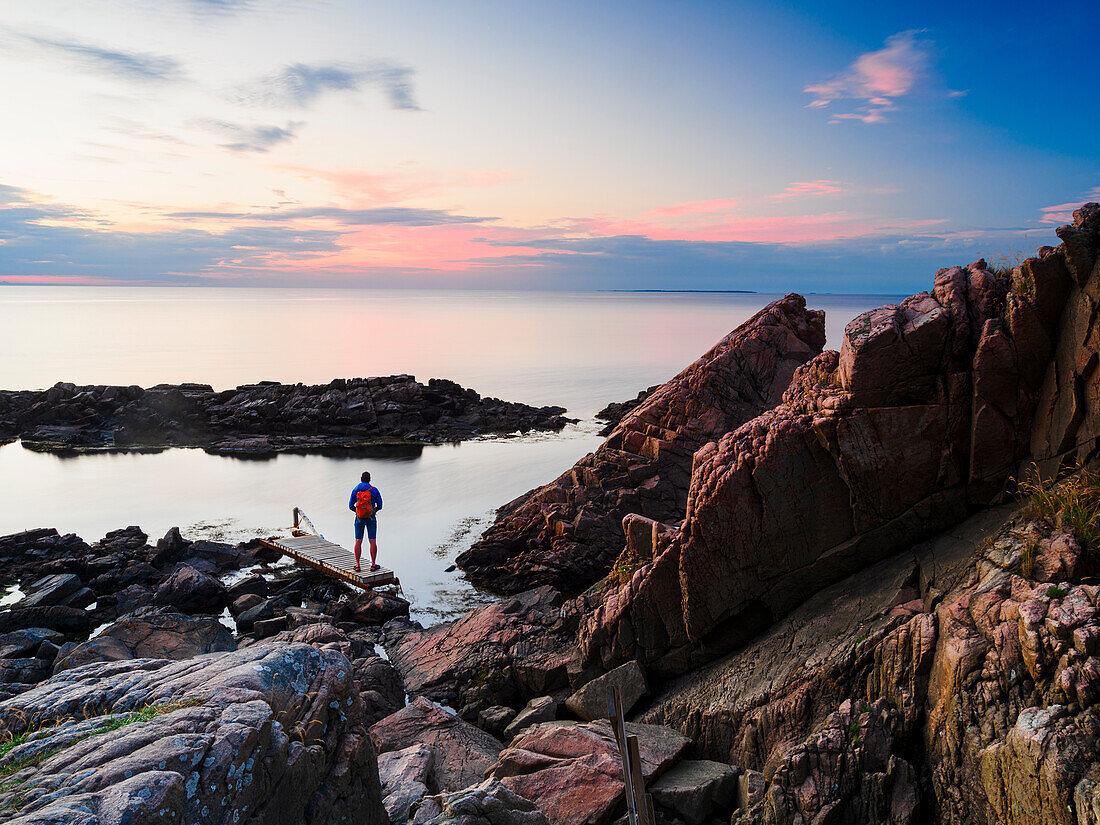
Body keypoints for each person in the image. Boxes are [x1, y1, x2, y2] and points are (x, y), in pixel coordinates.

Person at [348, 471, 383, 572]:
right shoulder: (374, 490)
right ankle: (373, 565)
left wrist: (358, 512)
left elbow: (350, 506)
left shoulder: (355, 490)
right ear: (370, 479)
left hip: (359, 519)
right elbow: (380, 505)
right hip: (371, 519)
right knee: (372, 541)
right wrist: (373, 511)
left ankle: (358, 565)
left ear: (361, 478)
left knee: (358, 541)